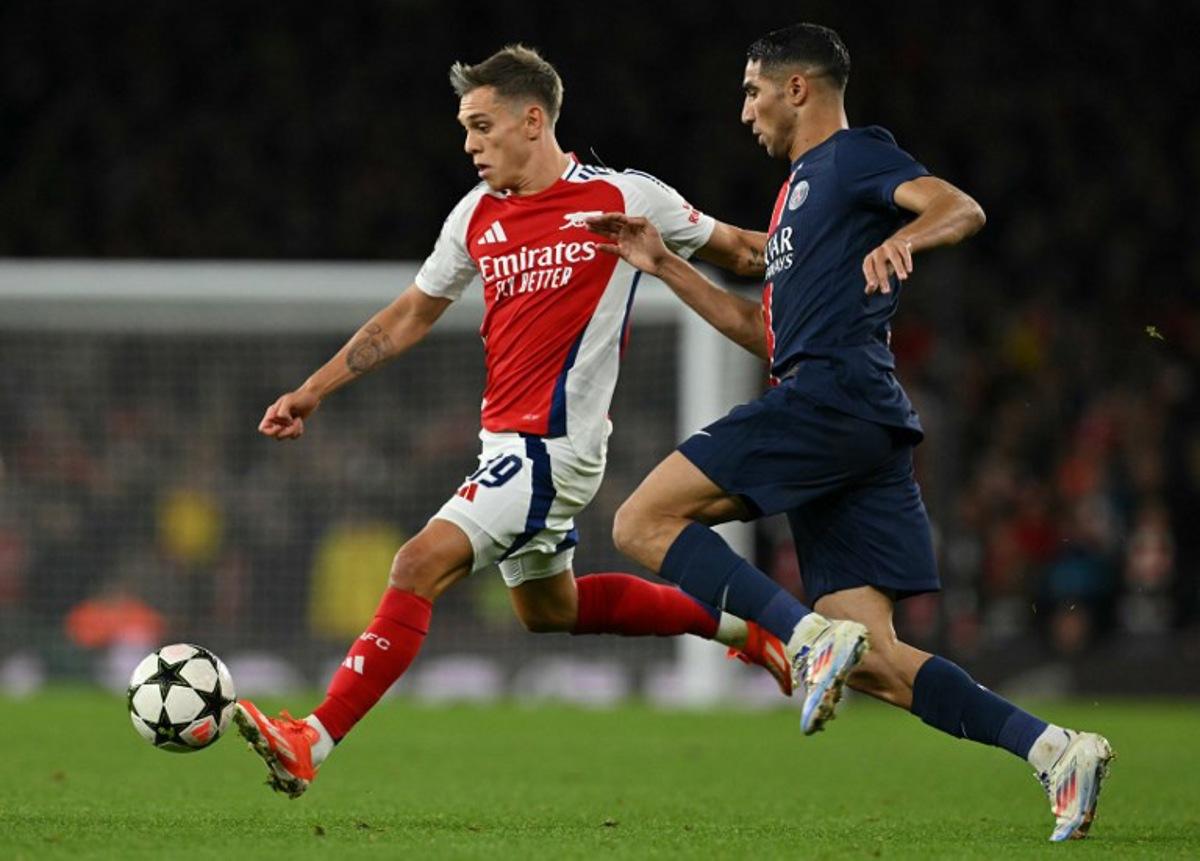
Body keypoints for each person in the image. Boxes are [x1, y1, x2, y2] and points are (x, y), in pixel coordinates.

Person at [233, 44, 867, 800]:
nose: (468, 144)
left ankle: (313, 738)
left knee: (416, 563)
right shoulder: (474, 216)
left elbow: (744, 249)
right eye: (465, 129)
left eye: (480, 126)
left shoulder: (622, 196)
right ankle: (748, 630)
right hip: (505, 444)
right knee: (548, 609)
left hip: (553, 448)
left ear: (532, 120)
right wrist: (314, 388)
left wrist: (839, 258)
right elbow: (410, 314)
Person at [587, 23, 1113, 843]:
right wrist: (666, 265)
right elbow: (766, 335)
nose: (744, 111)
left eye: (753, 90)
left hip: (829, 399)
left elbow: (958, 206)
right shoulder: (799, 198)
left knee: (639, 521)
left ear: (798, 88)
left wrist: (906, 237)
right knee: (876, 660)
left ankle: (801, 636)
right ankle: (1055, 749)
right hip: (854, 421)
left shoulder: (852, 157)